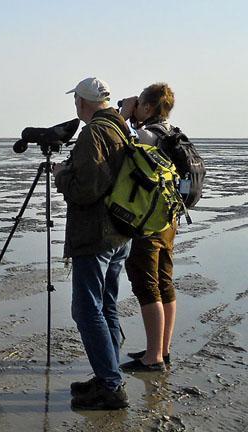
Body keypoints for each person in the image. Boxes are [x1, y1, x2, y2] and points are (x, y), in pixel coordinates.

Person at [52, 77, 131, 410]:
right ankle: (107, 375)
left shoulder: (94, 132)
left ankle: (111, 385)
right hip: (120, 231)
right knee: (107, 305)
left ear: (83, 103)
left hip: (96, 234)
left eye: (76, 102)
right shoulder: (120, 128)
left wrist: (61, 176)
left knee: (86, 310)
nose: (75, 108)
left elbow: (87, 188)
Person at [117, 83, 178, 372]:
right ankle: (162, 350)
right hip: (168, 219)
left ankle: (153, 358)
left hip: (148, 221)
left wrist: (122, 114)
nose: (135, 106)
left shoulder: (145, 135)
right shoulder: (171, 132)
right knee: (165, 282)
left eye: (140, 103)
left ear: (149, 107)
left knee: (146, 285)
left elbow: (119, 146)